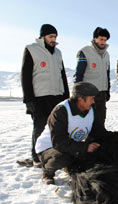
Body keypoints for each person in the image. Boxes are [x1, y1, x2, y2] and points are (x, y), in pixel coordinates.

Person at [35, 82, 109, 185]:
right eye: (91, 98)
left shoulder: (91, 111)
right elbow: (58, 142)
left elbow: (99, 132)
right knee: (62, 158)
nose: (93, 101)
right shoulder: (61, 111)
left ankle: (68, 166)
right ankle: (47, 171)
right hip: (48, 147)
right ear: (80, 99)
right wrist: (85, 147)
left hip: (69, 146)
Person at [19, 24, 70, 168]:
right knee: (40, 127)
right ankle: (36, 157)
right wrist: (28, 100)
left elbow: (62, 75)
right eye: (51, 37)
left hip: (57, 96)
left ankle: (53, 154)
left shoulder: (58, 52)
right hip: (39, 97)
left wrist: (67, 96)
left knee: (57, 127)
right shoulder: (31, 49)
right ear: (43, 37)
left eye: (55, 37)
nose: (53, 39)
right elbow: (25, 76)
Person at [74, 27, 110, 127]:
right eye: (101, 39)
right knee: (89, 119)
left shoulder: (106, 54)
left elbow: (106, 74)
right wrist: (78, 94)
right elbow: (79, 74)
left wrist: (107, 91)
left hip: (102, 92)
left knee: (101, 118)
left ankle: (100, 141)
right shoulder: (85, 52)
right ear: (95, 38)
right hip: (88, 93)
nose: (103, 42)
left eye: (105, 40)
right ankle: (89, 141)